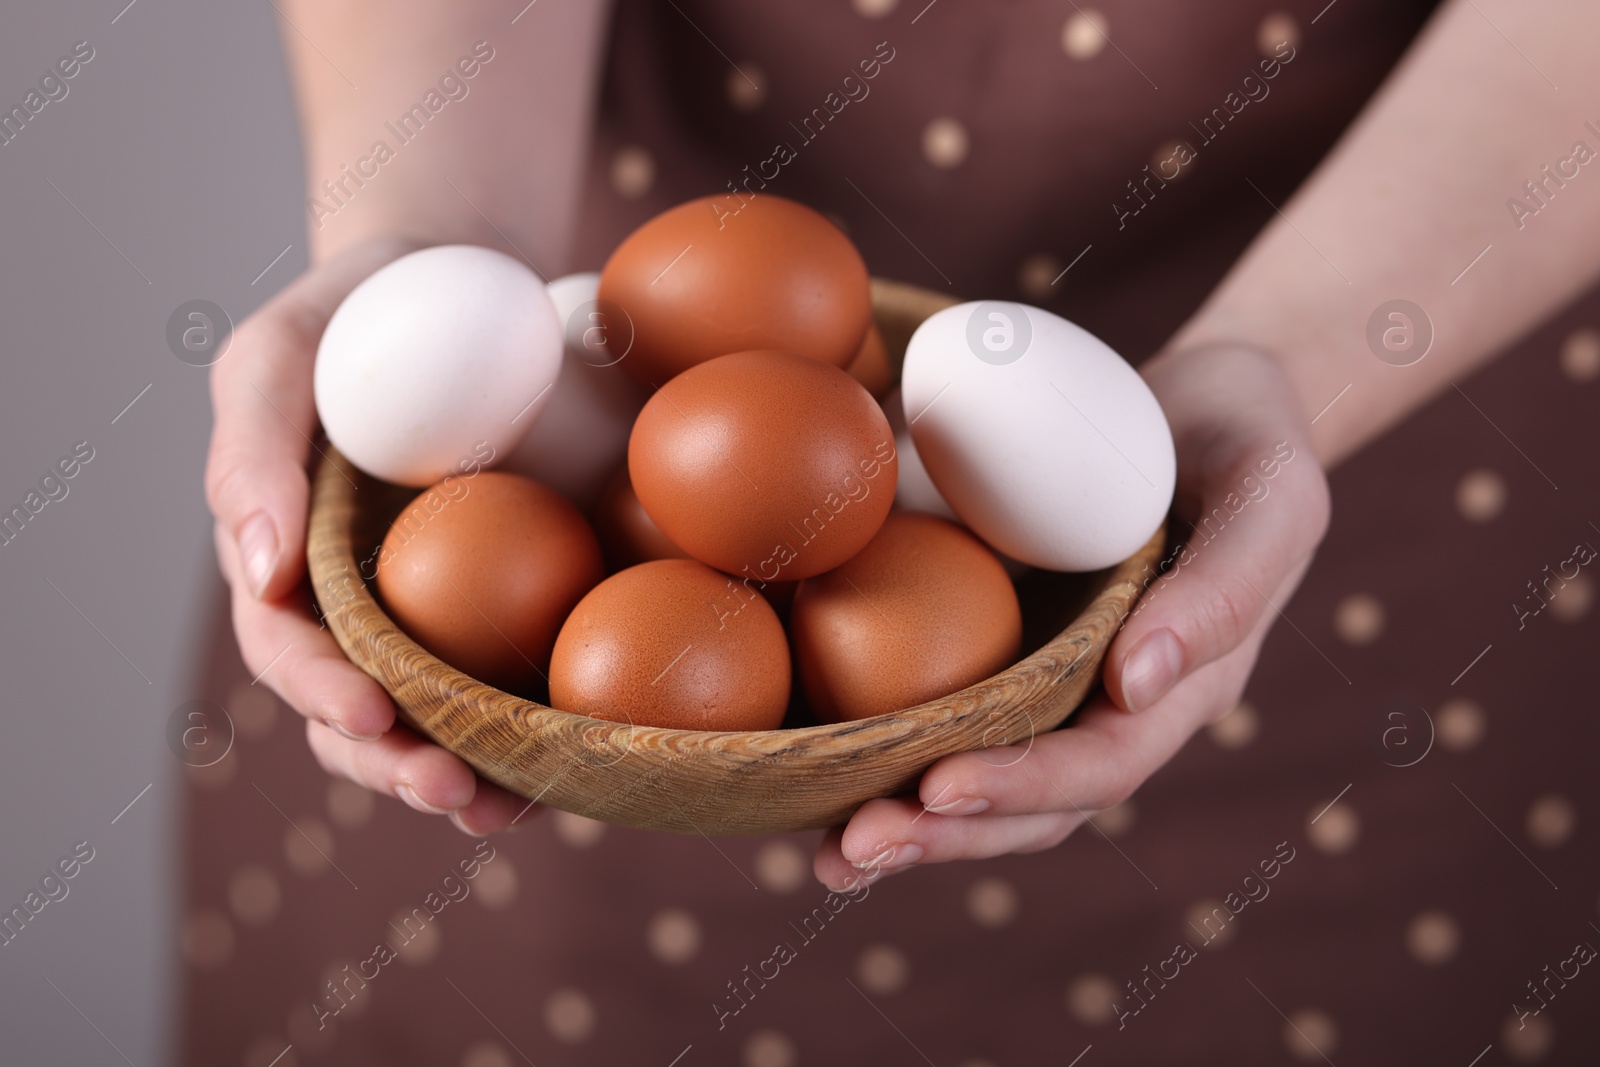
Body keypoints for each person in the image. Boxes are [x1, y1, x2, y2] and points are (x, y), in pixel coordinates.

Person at [206, 0, 1598, 889]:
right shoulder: (603, 419)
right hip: (595, 314)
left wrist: (1280, 366)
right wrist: (432, 254)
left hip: (1397, 375)